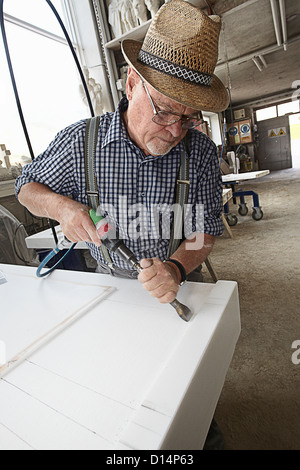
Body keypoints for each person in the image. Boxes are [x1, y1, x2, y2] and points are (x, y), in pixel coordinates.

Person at [15, 0, 229, 305]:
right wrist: (61, 208)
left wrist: (175, 268)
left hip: (178, 282)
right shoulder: (81, 141)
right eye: (165, 112)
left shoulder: (201, 152)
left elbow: (204, 231)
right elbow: (25, 188)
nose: (175, 131)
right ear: (131, 85)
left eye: (188, 118)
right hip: (109, 286)